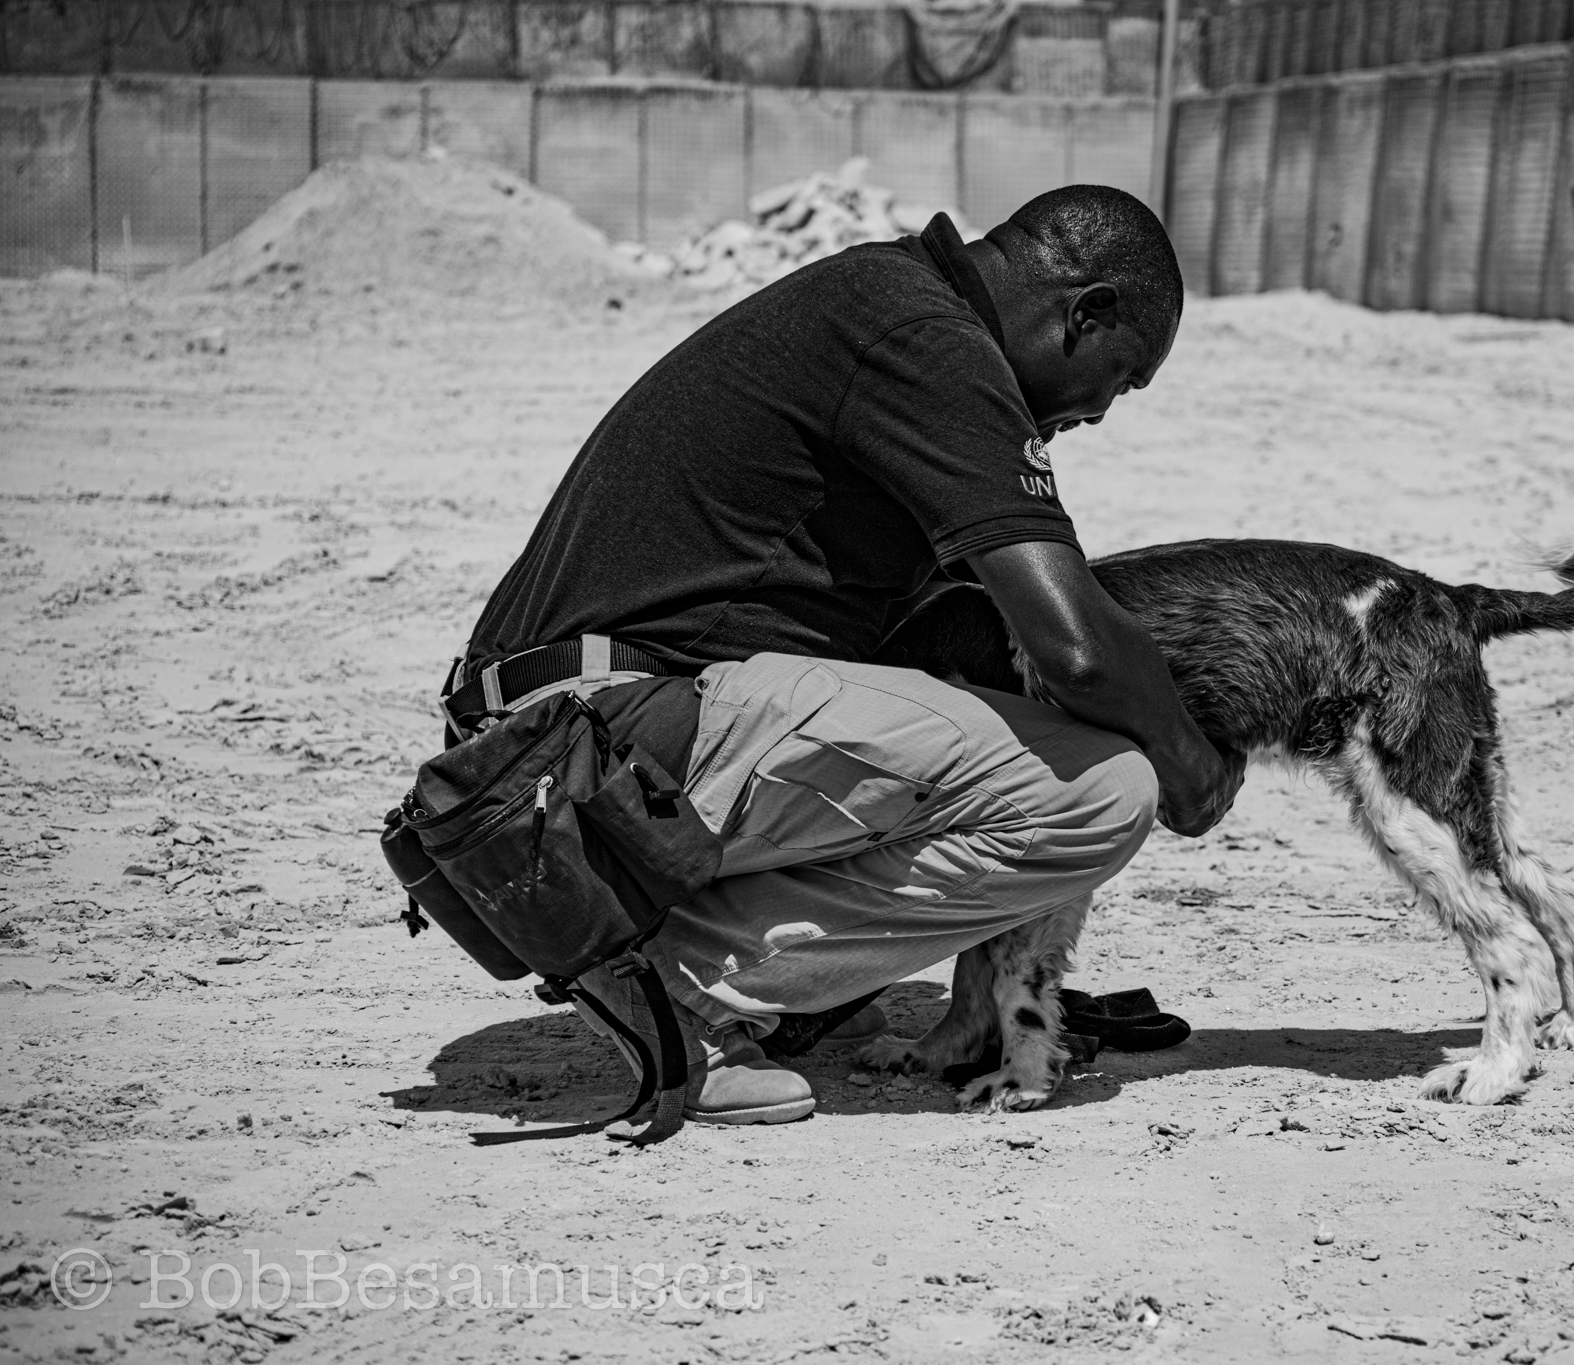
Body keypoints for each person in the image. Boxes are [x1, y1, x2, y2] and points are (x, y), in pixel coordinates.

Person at [443, 185, 1243, 1124]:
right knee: (1101, 791)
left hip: (551, 734)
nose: (1105, 410)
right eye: (1125, 376)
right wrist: (1194, 767)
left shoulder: (887, 297)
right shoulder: (932, 344)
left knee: (971, 714)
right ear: (1087, 312)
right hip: (575, 761)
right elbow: (1075, 650)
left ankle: (728, 961)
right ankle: (691, 987)